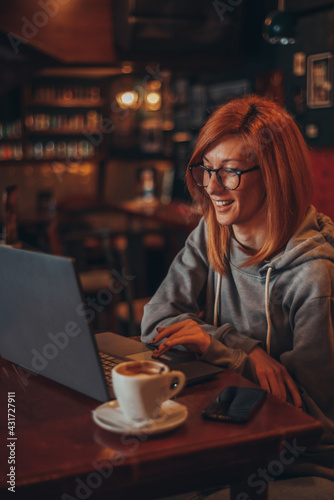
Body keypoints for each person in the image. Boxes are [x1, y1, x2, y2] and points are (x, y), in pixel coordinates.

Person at [141, 95, 334, 485]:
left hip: (296, 466)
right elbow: (155, 321)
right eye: (206, 169)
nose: (212, 187)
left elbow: (310, 415)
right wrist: (246, 350)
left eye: (229, 171)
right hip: (221, 435)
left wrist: (215, 347)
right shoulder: (212, 232)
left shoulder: (314, 276)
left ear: (275, 174)